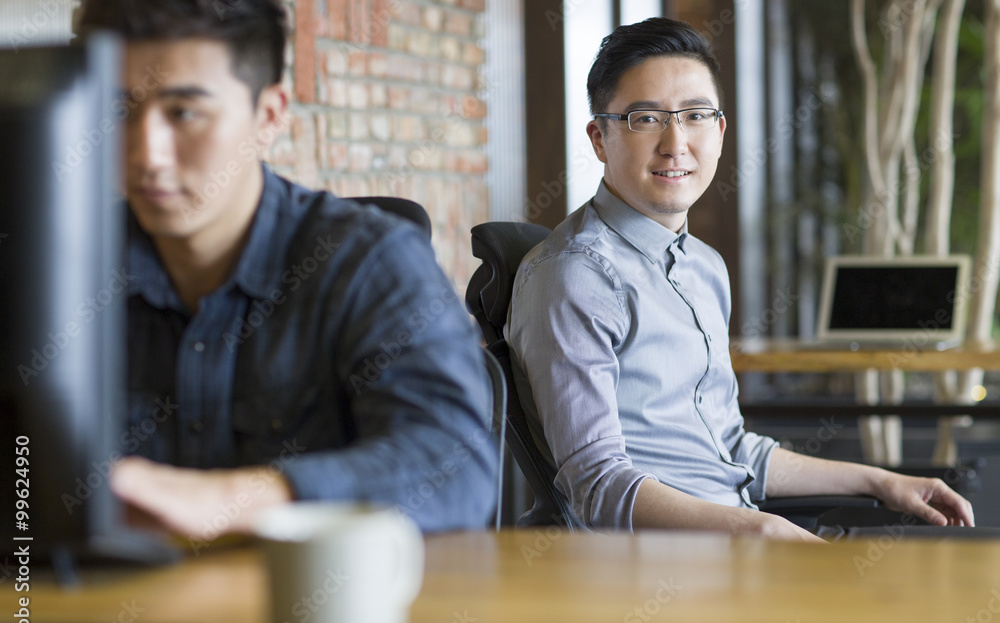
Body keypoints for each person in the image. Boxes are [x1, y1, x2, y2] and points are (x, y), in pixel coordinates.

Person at [506, 17, 974, 540]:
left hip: (742, 534)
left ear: (721, 131)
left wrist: (882, 480)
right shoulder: (575, 275)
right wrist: (758, 531)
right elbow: (598, 487)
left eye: (696, 115)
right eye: (645, 118)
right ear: (599, 137)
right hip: (665, 572)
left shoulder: (704, 266)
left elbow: (731, 447)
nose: (675, 142)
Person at [76, 0, 497, 537]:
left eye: (183, 113)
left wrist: (237, 499)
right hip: (98, 611)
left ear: (268, 116)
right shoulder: (63, 270)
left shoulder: (370, 261)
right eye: (118, 111)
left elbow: (452, 467)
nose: (146, 154)